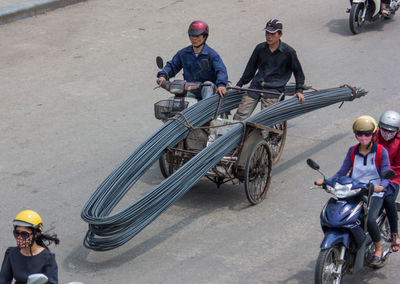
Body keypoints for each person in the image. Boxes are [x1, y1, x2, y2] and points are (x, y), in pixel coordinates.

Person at [315, 116, 393, 265]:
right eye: (360, 134)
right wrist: (326, 181)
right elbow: (342, 172)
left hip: (374, 192)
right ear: (355, 134)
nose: (363, 137)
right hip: (354, 190)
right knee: (340, 213)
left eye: (367, 134)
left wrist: (381, 186)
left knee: (370, 220)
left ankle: (377, 249)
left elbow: (386, 172)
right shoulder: (352, 151)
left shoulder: (381, 152)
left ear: (373, 134)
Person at [233, 19, 306, 121]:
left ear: (280, 34)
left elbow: (298, 73)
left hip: (274, 90)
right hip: (256, 86)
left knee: (266, 122)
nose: (269, 36)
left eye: (272, 33)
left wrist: (299, 90)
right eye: (267, 33)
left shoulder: (288, 52)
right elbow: (251, 68)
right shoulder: (260, 48)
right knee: (239, 117)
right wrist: (240, 84)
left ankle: (268, 135)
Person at [156, 20, 228, 100]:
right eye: (192, 35)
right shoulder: (183, 54)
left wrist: (221, 85)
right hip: (190, 89)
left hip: (209, 92)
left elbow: (221, 70)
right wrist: (163, 76)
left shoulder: (212, 55)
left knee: (207, 85)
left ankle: (204, 108)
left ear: (204, 37)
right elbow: (172, 66)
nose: (194, 39)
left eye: (197, 36)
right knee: (178, 104)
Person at [0, 210, 59, 284]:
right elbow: (3, 280)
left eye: (24, 234)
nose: (19, 237)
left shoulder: (48, 258)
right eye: (16, 233)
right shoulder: (11, 253)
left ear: (36, 234)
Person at [374, 110, 400, 252]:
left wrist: (385, 175)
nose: (387, 133)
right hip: (374, 174)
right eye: (384, 129)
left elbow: (398, 166)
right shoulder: (373, 136)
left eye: (391, 131)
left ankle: (394, 234)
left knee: (388, 200)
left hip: (393, 176)